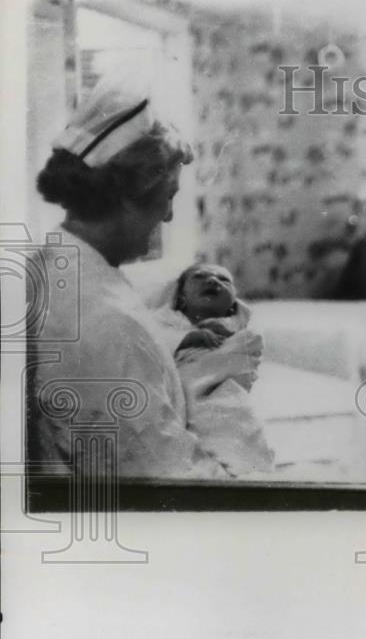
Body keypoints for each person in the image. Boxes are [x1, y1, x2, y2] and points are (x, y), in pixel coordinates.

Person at [28, 79, 261, 478]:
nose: (168, 216)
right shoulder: (105, 324)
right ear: (124, 198)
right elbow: (167, 480)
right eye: (168, 196)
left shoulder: (57, 264)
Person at [149, 262, 274, 476]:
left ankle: (240, 463)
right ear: (180, 298)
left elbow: (247, 353)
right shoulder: (165, 321)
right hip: (180, 390)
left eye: (224, 280)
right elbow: (150, 342)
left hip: (222, 395)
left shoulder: (240, 330)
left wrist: (230, 335)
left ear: (233, 302)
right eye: (199, 277)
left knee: (233, 423)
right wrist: (187, 338)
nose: (213, 280)